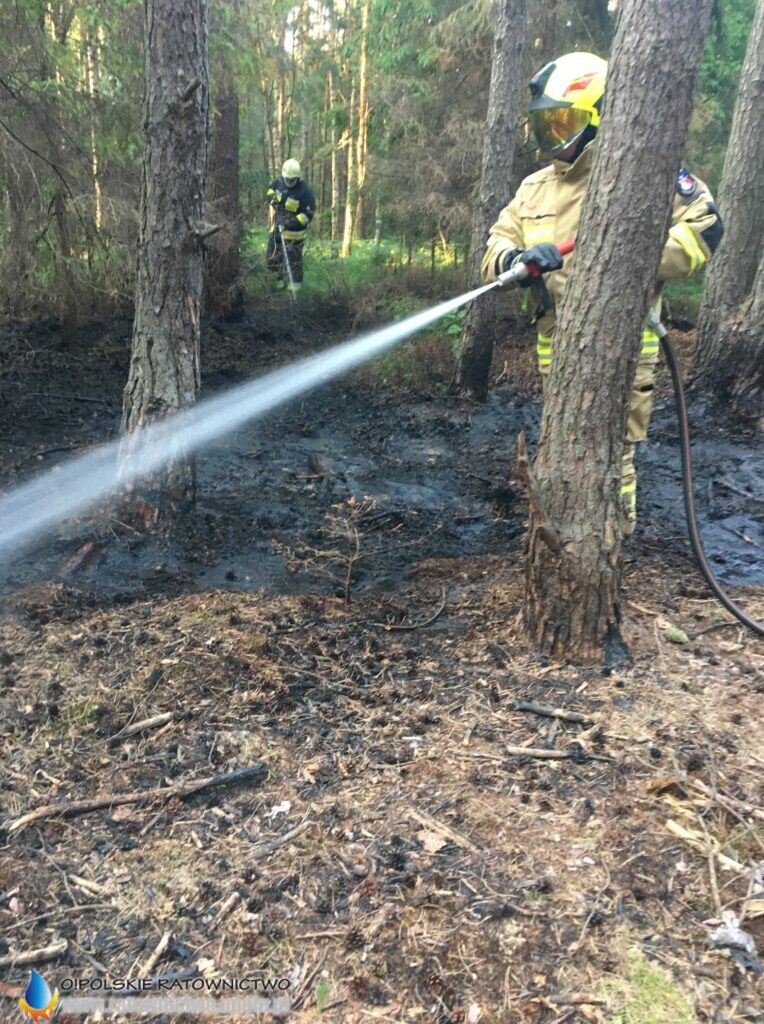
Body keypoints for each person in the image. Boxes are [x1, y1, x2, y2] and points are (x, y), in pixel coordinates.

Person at [481, 52, 724, 535]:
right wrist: (518, 261)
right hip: (554, 352)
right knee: (563, 450)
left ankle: (612, 546)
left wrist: (633, 259)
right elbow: (495, 246)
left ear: (599, 116)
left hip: (624, 350)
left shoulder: (642, 177)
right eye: (545, 124)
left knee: (613, 458)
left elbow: (707, 225)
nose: (552, 136)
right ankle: (563, 540)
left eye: (563, 121)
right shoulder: (533, 188)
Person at [266, 158, 316, 295]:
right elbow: (270, 191)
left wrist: (290, 224)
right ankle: (277, 287)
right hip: (277, 231)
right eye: (287, 179)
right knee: (272, 259)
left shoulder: (305, 192)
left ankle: (295, 291)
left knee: (294, 264)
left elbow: (307, 215)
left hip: (295, 236)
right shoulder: (279, 182)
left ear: (297, 178)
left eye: (292, 180)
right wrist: (272, 200)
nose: (289, 181)